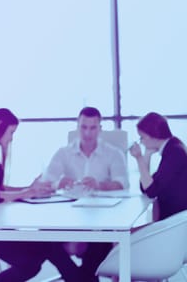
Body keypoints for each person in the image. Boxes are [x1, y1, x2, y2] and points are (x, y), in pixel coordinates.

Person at [0, 108, 80, 282]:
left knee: (40, 252)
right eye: (11, 132)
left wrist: (30, 189)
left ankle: (82, 279)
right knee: (39, 253)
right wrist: (27, 192)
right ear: (0, 126)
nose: (11, 138)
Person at [34, 106, 129, 282]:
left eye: (92, 128)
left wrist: (99, 185)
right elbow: (44, 183)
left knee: (100, 242)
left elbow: (122, 184)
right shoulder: (63, 153)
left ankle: (77, 278)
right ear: (77, 127)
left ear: (100, 128)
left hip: (100, 221)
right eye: (83, 127)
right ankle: (77, 278)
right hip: (67, 219)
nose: (87, 133)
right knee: (43, 237)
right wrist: (58, 183)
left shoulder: (113, 153)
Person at [129, 112, 187, 220]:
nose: (141, 142)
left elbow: (151, 191)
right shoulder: (173, 146)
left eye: (142, 137)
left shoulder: (174, 152)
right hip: (180, 218)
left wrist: (139, 158)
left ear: (152, 135)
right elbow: (145, 187)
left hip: (181, 221)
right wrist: (147, 155)